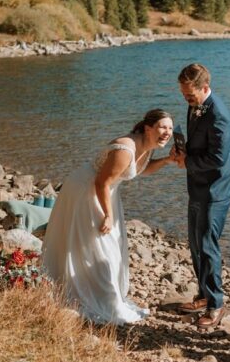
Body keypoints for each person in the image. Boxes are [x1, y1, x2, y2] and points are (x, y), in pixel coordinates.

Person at [42, 109, 178, 324]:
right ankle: (93, 297)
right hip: (86, 191)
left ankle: (102, 295)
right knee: (98, 244)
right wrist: (108, 215)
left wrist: (167, 160)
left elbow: (140, 169)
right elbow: (102, 182)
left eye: (170, 128)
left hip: (105, 192)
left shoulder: (146, 146)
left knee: (105, 245)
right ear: (148, 128)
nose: (167, 132)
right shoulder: (125, 149)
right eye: (162, 127)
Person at [174, 63, 230, 329]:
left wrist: (187, 162)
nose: (186, 99)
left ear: (204, 87)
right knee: (195, 243)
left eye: (189, 95)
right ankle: (203, 295)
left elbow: (218, 158)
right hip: (198, 186)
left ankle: (216, 304)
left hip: (216, 191)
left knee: (207, 245)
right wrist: (183, 151)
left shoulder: (219, 115)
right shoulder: (196, 105)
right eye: (183, 94)